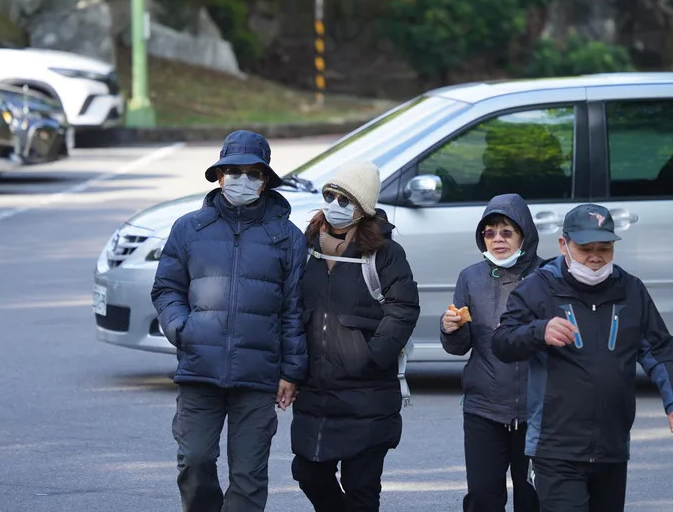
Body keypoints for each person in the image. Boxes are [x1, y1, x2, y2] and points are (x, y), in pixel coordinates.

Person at [491, 203, 673, 512]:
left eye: (605, 247)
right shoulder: (538, 287)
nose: (596, 257)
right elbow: (502, 342)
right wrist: (538, 331)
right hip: (556, 447)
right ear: (563, 245)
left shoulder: (631, 290)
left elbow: (659, 350)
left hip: (612, 446)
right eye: (585, 248)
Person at [151, 130, 308, 512]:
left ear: (265, 180)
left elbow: (294, 309)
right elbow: (166, 289)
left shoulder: (287, 238)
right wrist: (182, 329)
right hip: (199, 369)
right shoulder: (189, 228)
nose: (243, 180)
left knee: (249, 477)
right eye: (233, 171)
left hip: (258, 375)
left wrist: (292, 371)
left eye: (253, 173)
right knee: (195, 461)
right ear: (219, 176)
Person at [290, 161, 420, 512]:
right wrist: (291, 367)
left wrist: (371, 356)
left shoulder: (385, 252)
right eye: (329, 195)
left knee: (361, 486)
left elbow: (403, 308)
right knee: (308, 472)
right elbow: (289, 306)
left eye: (344, 199)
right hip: (316, 388)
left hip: (368, 392)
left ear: (363, 207)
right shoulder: (305, 246)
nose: (333, 204)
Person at [440, 194, 541, 512]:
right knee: (483, 499)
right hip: (484, 409)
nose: (497, 239)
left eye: (506, 232)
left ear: (524, 234)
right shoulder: (470, 277)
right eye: (490, 232)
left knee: (534, 500)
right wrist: (451, 328)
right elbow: (458, 348)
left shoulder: (548, 276)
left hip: (537, 412)